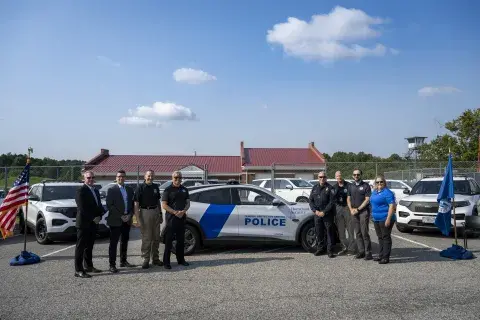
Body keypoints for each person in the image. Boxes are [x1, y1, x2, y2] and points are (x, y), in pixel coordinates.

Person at [74, 170, 105, 278]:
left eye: (92, 177)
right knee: (80, 247)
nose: (91, 179)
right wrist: (93, 218)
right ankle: (78, 270)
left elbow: (98, 205)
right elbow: (82, 208)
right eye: (88, 178)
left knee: (89, 246)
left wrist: (100, 215)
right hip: (84, 223)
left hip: (93, 223)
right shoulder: (81, 190)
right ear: (84, 179)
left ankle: (89, 266)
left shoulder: (95, 190)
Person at [106, 170, 135, 273]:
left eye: (122, 176)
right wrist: (121, 216)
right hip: (116, 220)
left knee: (124, 241)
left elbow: (132, 204)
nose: (121, 178)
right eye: (119, 176)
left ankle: (123, 261)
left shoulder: (129, 189)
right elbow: (110, 205)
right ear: (116, 177)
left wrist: (130, 215)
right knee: (113, 243)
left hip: (127, 220)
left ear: (125, 178)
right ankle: (112, 264)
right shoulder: (111, 190)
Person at [134, 170, 163, 269]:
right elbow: (136, 204)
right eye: (148, 176)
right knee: (147, 238)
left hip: (155, 212)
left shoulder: (155, 187)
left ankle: (155, 259)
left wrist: (160, 213)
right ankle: (145, 259)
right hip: (144, 212)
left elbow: (158, 201)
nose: (150, 177)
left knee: (156, 237)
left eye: (152, 176)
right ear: (145, 176)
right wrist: (137, 219)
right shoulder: (140, 188)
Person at [161, 171, 191, 269]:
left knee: (181, 240)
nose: (177, 179)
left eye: (179, 177)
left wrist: (184, 211)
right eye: (175, 177)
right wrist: (174, 212)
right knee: (169, 241)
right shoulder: (168, 190)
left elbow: (188, 203)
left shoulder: (184, 190)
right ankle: (166, 262)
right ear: (172, 178)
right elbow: (164, 205)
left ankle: (181, 260)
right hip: (171, 219)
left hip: (181, 218)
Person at [308, 170, 336, 258]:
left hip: (327, 214)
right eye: (320, 177)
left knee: (329, 233)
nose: (322, 178)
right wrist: (315, 211)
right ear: (318, 178)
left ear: (326, 178)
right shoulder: (314, 188)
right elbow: (310, 201)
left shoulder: (330, 188)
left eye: (324, 177)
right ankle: (320, 249)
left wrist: (324, 212)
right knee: (319, 232)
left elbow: (331, 202)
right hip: (317, 214)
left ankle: (330, 251)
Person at [347, 169, 373, 260]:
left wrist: (358, 209)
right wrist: (351, 209)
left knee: (364, 232)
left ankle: (368, 253)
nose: (356, 176)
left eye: (358, 174)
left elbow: (367, 200)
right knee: (357, 233)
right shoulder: (350, 186)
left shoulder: (366, 186)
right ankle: (361, 251)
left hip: (363, 212)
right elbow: (348, 198)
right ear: (352, 176)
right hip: (354, 212)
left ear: (361, 175)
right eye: (354, 174)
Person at [370, 174, 396, 264]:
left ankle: (385, 257)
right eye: (377, 182)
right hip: (376, 218)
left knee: (385, 237)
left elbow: (392, 206)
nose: (379, 183)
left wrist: (388, 219)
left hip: (385, 218)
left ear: (384, 182)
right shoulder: (375, 192)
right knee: (380, 237)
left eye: (381, 181)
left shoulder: (388, 192)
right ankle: (381, 255)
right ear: (375, 183)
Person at [332, 171, 356, 256]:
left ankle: (352, 248)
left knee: (350, 229)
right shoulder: (334, 187)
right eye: (337, 176)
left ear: (342, 176)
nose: (339, 177)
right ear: (335, 177)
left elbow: (353, 197)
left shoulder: (349, 185)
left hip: (347, 208)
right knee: (341, 230)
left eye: (340, 175)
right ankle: (344, 247)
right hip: (338, 208)